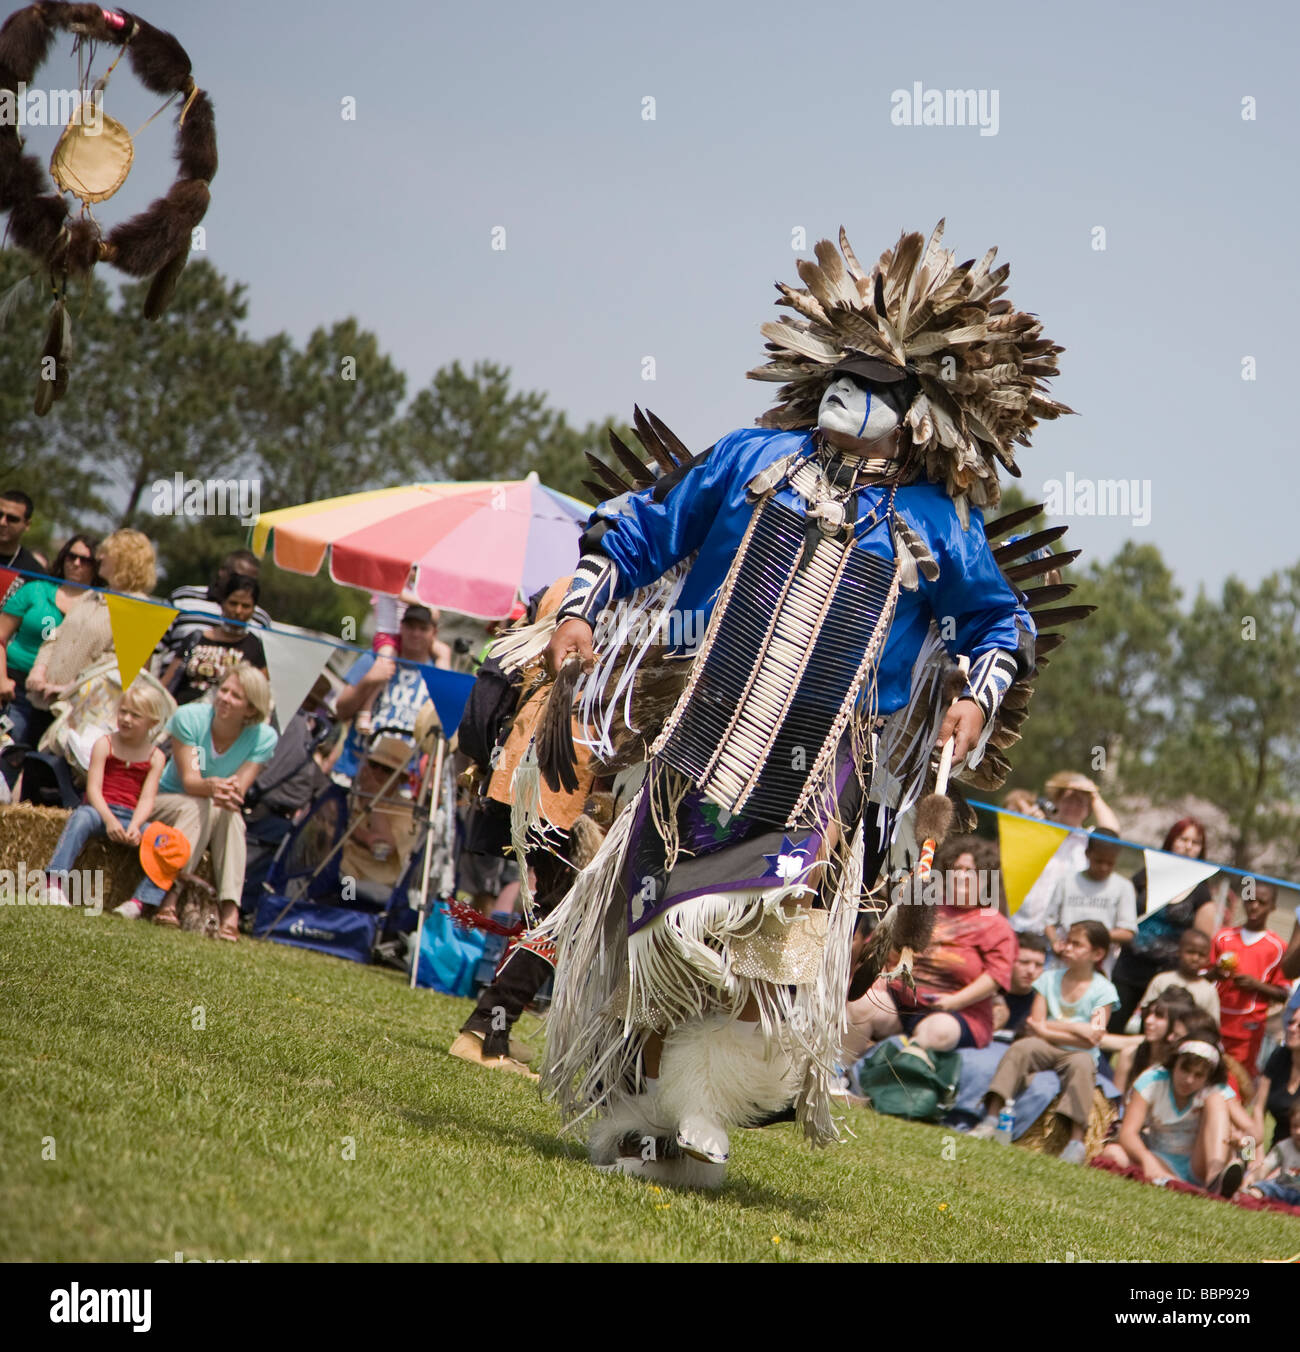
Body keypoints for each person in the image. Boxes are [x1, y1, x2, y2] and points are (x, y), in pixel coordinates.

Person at [527, 221, 1074, 1186]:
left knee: (766, 961)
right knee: (654, 939)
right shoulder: (749, 461)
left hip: (817, 781)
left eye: (876, 385)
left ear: (919, 412)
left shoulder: (936, 522)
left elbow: (1001, 625)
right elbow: (641, 531)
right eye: (842, 374)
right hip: (692, 756)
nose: (847, 396)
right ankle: (634, 1114)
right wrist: (578, 608)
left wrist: (976, 700)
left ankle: (699, 1117)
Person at [845, 837, 1017, 1057]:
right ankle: (838, 1078)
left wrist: (955, 1001)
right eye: (957, 868)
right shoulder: (923, 905)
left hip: (958, 1013)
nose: (961, 875)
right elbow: (882, 944)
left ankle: (887, 1082)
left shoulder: (995, 924)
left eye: (970, 870)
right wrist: (877, 977)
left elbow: (996, 976)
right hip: (900, 1002)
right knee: (860, 1005)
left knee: (936, 1031)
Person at [145, 665, 278, 941]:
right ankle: (171, 893)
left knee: (230, 813)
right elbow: (190, 781)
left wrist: (222, 790)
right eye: (224, 690)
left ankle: (231, 909)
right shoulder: (189, 718)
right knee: (200, 803)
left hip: (211, 808)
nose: (224, 698)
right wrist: (216, 787)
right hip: (166, 801)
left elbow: (236, 791)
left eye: (235, 696)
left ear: (251, 710)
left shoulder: (263, 738)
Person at [970, 920, 1119, 1163]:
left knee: (1082, 1065)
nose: (1067, 948)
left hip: (1078, 1052)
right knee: (1021, 1048)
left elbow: (1093, 1038)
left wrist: (1051, 1029)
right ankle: (990, 1118)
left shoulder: (1104, 991)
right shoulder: (1048, 979)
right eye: (1067, 942)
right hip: (1044, 1045)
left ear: (1098, 953)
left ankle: (1076, 1142)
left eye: (1077, 944)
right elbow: (1035, 1023)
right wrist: (1076, 1027)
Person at [43, 681, 171, 912]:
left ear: (152, 723)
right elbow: (93, 790)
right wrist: (109, 819)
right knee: (80, 818)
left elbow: (147, 799)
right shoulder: (105, 744)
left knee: (167, 842)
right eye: (123, 711)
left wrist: (136, 825)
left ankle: (139, 902)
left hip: (130, 817)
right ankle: (54, 881)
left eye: (135, 715)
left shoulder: (156, 757)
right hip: (100, 811)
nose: (126, 719)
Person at [22, 529, 158, 742]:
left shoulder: (141, 611)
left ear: (125, 560)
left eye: (107, 553)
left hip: (81, 720)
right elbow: (55, 637)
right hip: (43, 703)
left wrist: (68, 689)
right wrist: (39, 672)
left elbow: (116, 671)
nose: (99, 557)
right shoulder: (90, 595)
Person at [0, 534, 100, 778]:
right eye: (72, 556)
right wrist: (2, 680)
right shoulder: (35, 589)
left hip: (67, 700)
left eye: (85, 560)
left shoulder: (101, 606)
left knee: (43, 774)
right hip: (17, 690)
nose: (76, 563)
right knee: (7, 762)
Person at [1110, 817, 1217, 1031]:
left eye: (1195, 843)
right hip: (1127, 968)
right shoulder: (1144, 876)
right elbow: (1121, 912)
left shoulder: (1202, 892)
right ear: (1171, 841)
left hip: (1168, 978)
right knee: (1107, 1027)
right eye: (1182, 839)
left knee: (1153, 1038)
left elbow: (1202, 942)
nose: (1188, 846)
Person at [1102, 1034, 1241, 1195]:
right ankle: (1180, 1184)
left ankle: (1214, 1179)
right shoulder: (1152, 1081)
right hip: (1162, 1159)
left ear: (1208, 1077)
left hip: (1200, 1163)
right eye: (1185, 1070)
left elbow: (1253, 1134)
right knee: (1112, 1153)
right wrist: (1147, 1160)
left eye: (1198, 1075)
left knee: (1216, 1100)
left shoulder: (1216, 1091)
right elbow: (1128, 1133)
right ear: (1174, 1064)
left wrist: (1245, 1151)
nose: (1189, 1080)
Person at [333, 605, 437, 781]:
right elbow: (341, 711)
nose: (416, 633)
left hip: (402, 782)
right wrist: (368, 680)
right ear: (401, 628)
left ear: (434, 632)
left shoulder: (438, 674)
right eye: (410, 626)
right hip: (352, 772)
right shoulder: (373, 659)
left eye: (423, 628)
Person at [1012, 771, 1121, 937]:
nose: (1073, 806)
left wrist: (1094, 795)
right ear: (1057, 802)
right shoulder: (1038, 830)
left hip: (1062, 935)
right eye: (1068, 799)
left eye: (1081, 802)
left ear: (1089, 809)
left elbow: (1112, 831)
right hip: (1022, 924)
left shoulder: (1090, 839)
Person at [1212, 882, 1289, 1077]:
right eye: (1250, 900)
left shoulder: (1277, 946)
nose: (1254, 906)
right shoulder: (1223, 937)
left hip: (1248, 1026)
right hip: (1214, 1019)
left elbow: (1282, 993)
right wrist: (1216, 973)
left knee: (1237, 1078)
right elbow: (1203, 975)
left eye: (1261, 902)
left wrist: (1255, 985)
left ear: (1272, 907)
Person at [160, 573, 268, 706]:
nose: (238, 611)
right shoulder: (196, 638)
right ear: (222, 604)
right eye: (233, 603)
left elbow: (260, 697)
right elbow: (165, 685)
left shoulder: (256, 647)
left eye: (245, 606)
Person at [1043, 830, 1137, 974]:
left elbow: (1128, 932)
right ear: (1087, 854)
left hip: (1099, 967)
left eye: (1110, 863)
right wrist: (1056, 942)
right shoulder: (1067, 882)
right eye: (1099, 861)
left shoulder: (1123, 887)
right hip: (1063, 963)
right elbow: (1048, 922)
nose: (1104, 867)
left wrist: (1090, 937)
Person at [163, 550, 272, 659]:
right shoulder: (183, 597)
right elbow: (152, 644)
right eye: (237, 577)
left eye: (250, 582)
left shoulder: (260, 619)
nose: (241, 585)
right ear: (222, 571)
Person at [1111, 988, 1198, 1098]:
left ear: (1177, 1024)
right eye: (1149, 1013)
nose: (1148, 1020)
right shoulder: (1130, 1054)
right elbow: (1115, 1105)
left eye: (1159, 1016)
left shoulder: (1183, 1063)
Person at [1126, 928, 1219, 1030]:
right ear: (1178, 952)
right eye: (1190, 952)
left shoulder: (1209, 991)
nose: (1195, 958)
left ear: (1208, 959)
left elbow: (1212, 1024)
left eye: (1201, 955)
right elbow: (1146, 1011)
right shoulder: (1161, 980)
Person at [1252, 1007, 1300, 1152]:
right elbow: (1258, 1109)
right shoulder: (1279, 1056)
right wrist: (1256, 1156)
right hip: (1278, 1154)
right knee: (1244, 1136)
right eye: (1291, 1022)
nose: (1291, 1028)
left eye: (1299, 1026)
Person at [994, 931, 1050, 1035]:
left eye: (1038, 965)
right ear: (1009, 961)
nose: (1031, 971)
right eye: (1024, 962)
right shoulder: (988, 996)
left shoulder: (1046, 1003)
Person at [1243, 1107, 1300, 1206]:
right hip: (1283, 1189)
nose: (1298, 1132)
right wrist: (1251, 1178)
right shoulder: (1284, 1146)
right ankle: (1254, 1193)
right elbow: (1266, 1167)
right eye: (1295, 1126)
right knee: (1267, 1186)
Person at [0, 489, 47, 598]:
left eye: (12, 519)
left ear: (27, 524)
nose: (2, 522)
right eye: (0, 514)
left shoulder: (35, 574)